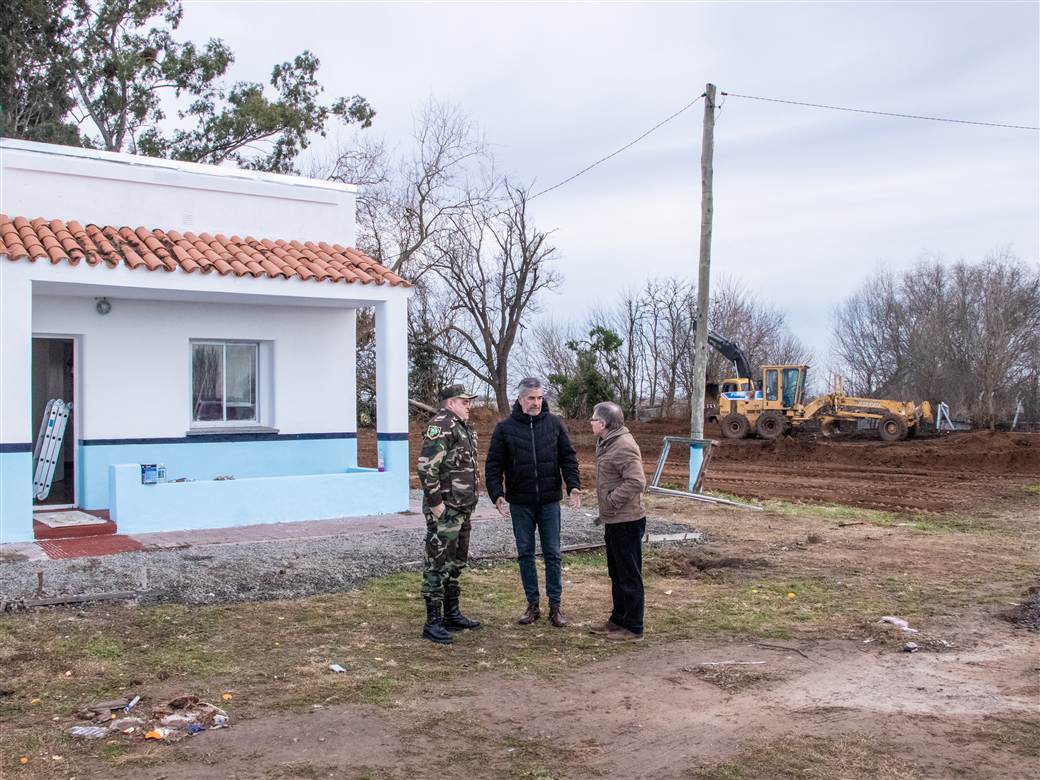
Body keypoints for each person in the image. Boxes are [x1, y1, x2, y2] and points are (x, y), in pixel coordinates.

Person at [485, 377, 581, 627]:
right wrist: (496, 493)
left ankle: (556, 607)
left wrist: (573, 486)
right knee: (525, 553)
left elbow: (568, 458)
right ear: (520, 399)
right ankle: (532, 605)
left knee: (553, 553)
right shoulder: (505, 428)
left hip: (549, 501)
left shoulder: (554, 425)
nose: (536, 403)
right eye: (531, 398)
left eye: (539, 398)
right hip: (520, 502)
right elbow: (493, 464)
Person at [416, 384, 482, 644]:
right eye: (465, 402)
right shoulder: (442, 424)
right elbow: (426, 467)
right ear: (452, 402)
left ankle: (451, 613)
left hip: (462, 507)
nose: (469, 406)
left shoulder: (462, 426)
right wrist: (435, 503)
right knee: (438, 563)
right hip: (446, 509)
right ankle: (432, 622)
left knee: (456, 562)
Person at [588, 401, 647, 642]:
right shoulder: (607, 442)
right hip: (614, 520)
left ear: (602, 424)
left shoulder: (623, 445)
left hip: (627, 520)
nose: (590, 422)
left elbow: (636, 481)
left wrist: (611, 501)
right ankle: (618, 620)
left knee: (629, 574)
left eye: (593, 419)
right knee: (617, 572)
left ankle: (633, 627)